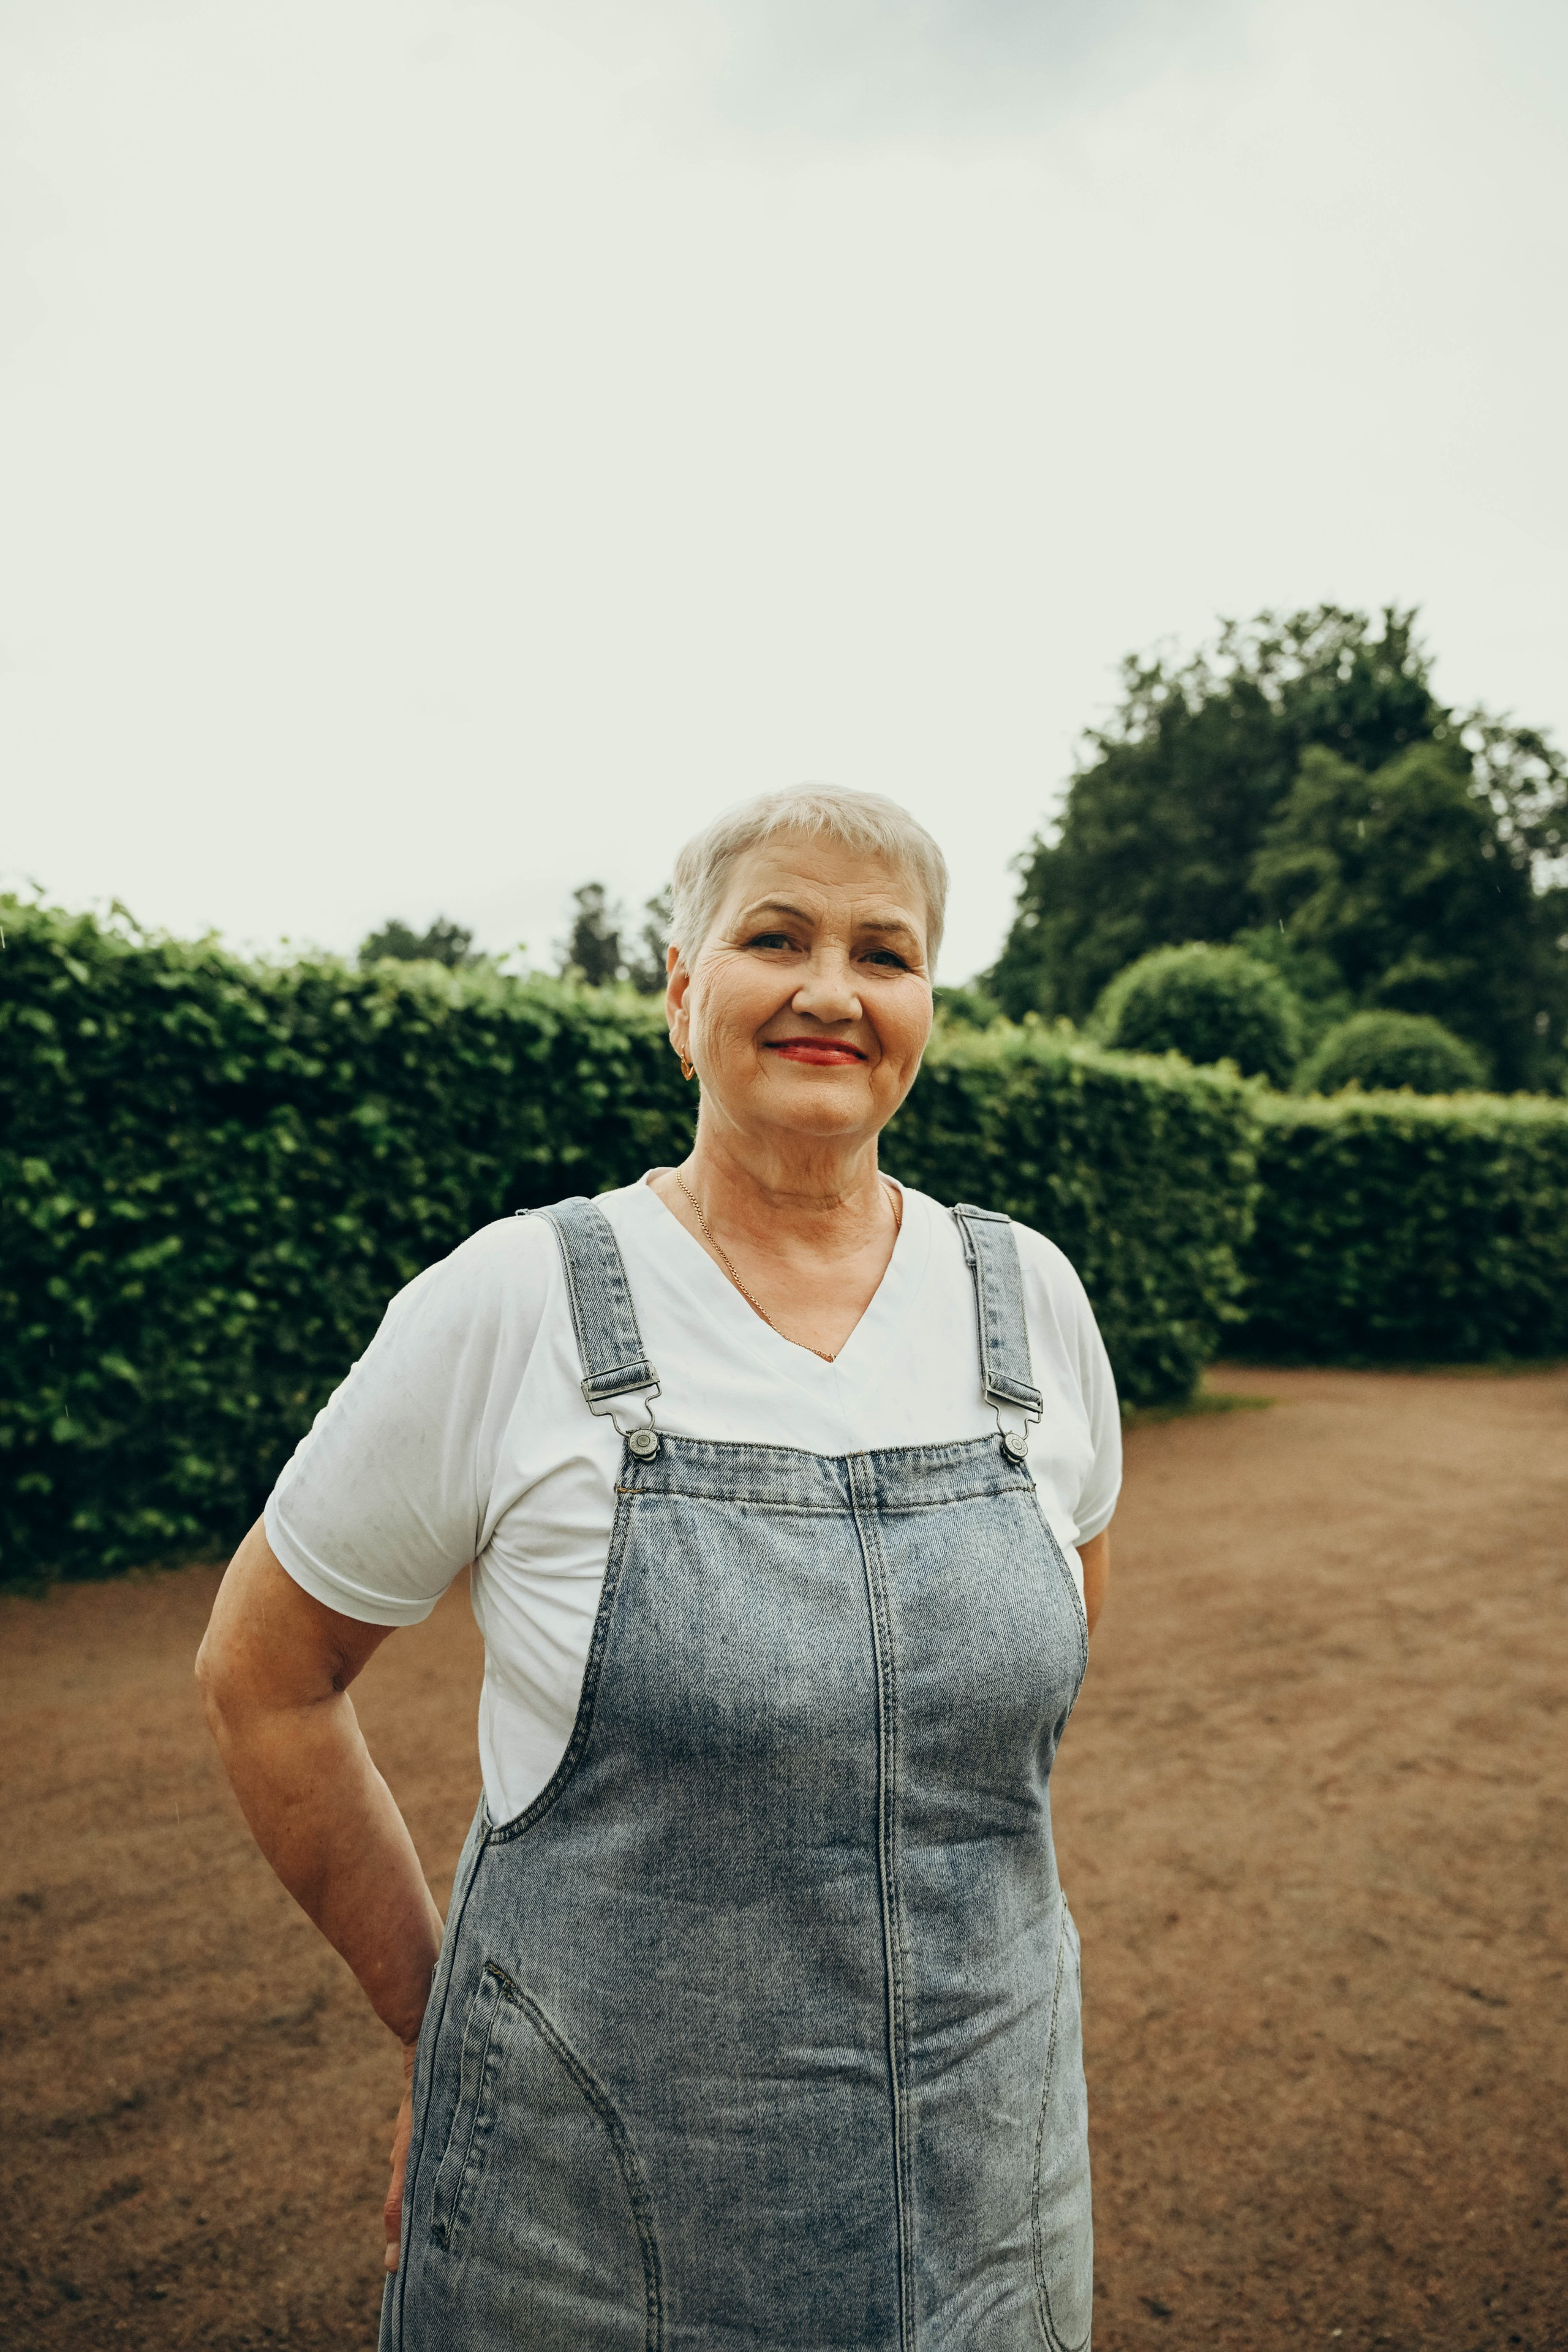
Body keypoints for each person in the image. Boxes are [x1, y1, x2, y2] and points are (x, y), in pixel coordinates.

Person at [197, 785, 1120, 2352]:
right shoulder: (518, 1301)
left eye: (883, 953)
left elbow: (1024, 1704)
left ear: (924, 1013)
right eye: (777, 937)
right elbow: (263, 1677)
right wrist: (455, 2043)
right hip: (588, 2221)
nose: (832, 988)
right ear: (681, 996)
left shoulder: (1025, 1301)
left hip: (992, 2191)